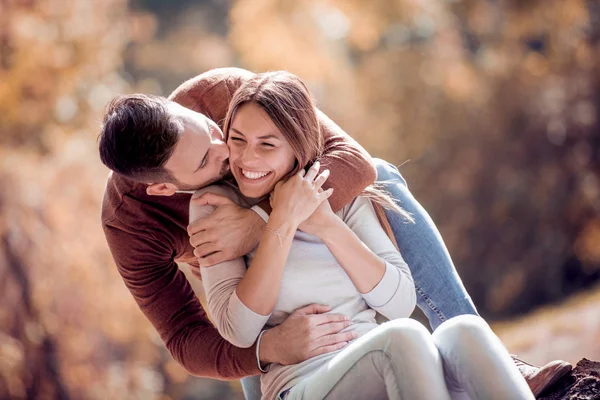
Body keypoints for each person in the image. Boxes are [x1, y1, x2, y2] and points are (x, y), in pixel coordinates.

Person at [98, 67, 571, 399]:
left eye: (211, 128)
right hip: (249, 303)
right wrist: (269, 349)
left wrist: (264, 220)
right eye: (204, 161)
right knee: (258, 344)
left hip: (313, 261)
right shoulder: (133, 227)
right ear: (163, 187)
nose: (228, 151)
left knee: (382, 177)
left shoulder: (224, 93)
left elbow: (354, 160)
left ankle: (486, 352)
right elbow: (188, 338)